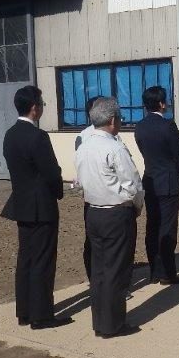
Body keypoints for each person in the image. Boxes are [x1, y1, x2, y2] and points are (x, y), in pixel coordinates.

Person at [0, 85, 72, 330]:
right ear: (34, 108)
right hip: (41, 206)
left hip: (21, 203)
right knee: (43, 261)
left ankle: (25, 311)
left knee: (26, 259)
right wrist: (59, 191)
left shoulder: (10, 134)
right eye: (41, 104)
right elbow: (51, 172)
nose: (42, 108)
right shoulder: (38, 137)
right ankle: (41, 315)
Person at [75, 97, 144, 338]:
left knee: (99, 270)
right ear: (113, 120)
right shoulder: (115, 148)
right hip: (116, 212)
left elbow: (80, 182)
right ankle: (113, 324)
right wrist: (137, 206)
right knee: (116, 270)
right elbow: (133, 183)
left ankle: (100, 321)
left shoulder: (83, 146)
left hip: (93, 211)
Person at [133, 86, 179, 284]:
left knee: (152, 226)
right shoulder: (168, 126)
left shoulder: (140, 126)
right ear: (161, 103)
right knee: (167, 228)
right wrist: (177, 176)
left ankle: (155, 271)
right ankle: (168, 273)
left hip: (149, 180)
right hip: (168, 182)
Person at [75, 96, 100, 281]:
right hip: (92, 196)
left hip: (110, 197)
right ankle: (94, 278)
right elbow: (80, 166)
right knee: (92, 238)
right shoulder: (83, 136)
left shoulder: (113, 133)